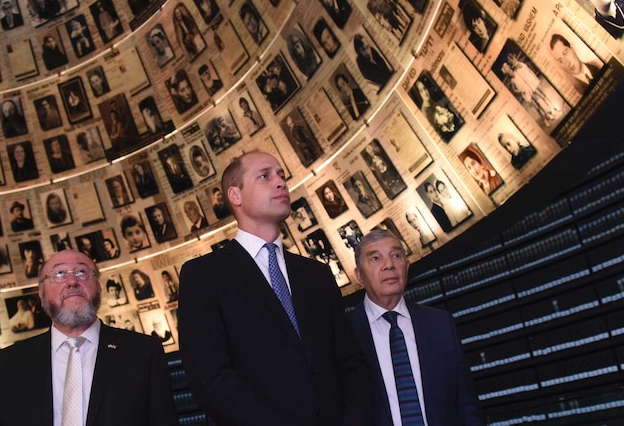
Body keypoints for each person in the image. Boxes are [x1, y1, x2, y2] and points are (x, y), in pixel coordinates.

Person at [178, 151, 373, 425]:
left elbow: (350, 363)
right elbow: (210, 379)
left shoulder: (316, 274)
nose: (281, 183)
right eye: (265, 176)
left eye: (281, 175)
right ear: (235, 196)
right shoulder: (203, 276)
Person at [0, 249, 178, 425]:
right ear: (41, 294)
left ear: (99, 287)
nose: (72, 281)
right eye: (59, 274)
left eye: (82, 272)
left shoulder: (143, 352)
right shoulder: (7, 364)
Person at [350, 229, 484, 425]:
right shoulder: (345, 334)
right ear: (359, 276)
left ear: (406, 266)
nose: (389, 265)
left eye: (396, 256)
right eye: (376, 258)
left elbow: (467, 405)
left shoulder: (440, 324)